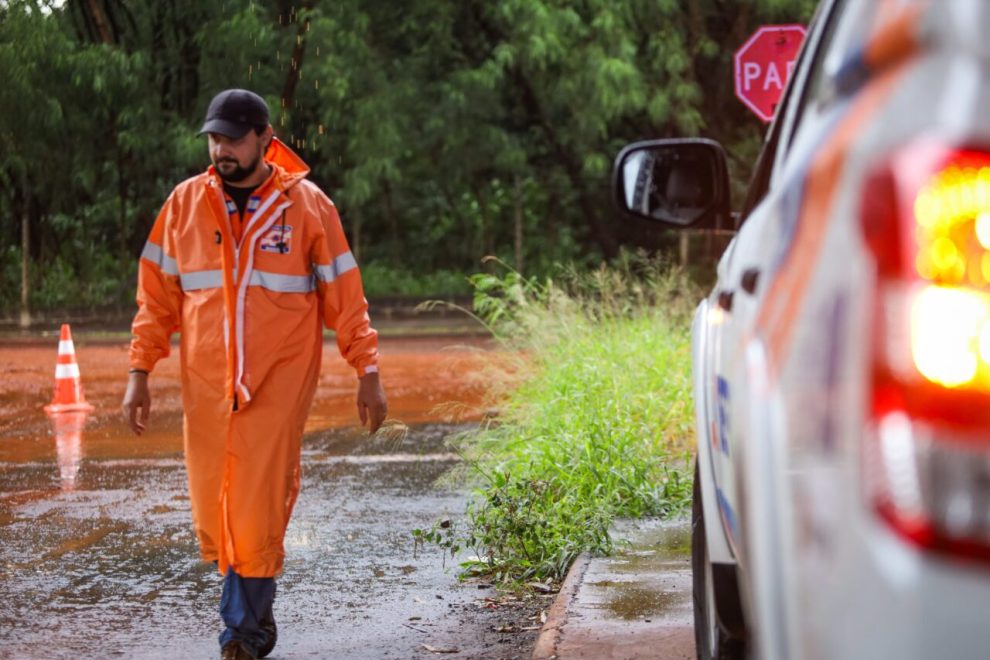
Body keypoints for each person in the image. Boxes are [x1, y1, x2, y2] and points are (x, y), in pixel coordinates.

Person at [121, 88, 387, 660]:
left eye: (233, 139)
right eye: (214, 138)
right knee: (216, 507)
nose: (221, 150)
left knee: (257, 502)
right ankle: (254, 625)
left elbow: (345, 294)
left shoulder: (308, 207)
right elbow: (156, 299)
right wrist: (140, 369)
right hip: (207, 388)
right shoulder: (185, 204)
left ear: (266, 139)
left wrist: (367, 367)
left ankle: (239, 634)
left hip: (278, 383)